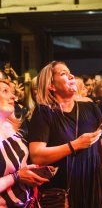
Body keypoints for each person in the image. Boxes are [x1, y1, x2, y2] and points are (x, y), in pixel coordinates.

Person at [28, 61, 102, 207]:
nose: (71, 75)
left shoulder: (91, 108)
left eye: (69, 72)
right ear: (51, 85)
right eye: (63, 73)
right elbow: (37, 155)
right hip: (62, 194)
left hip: (92, 189)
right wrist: (75, 145)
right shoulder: (44, 112)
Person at [0, 79, 48, 207]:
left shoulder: (15, 129)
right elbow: (18, 174)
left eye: (12, 92)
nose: (13, 96)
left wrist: (34, 173)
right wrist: (16, 177)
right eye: (5, 91)